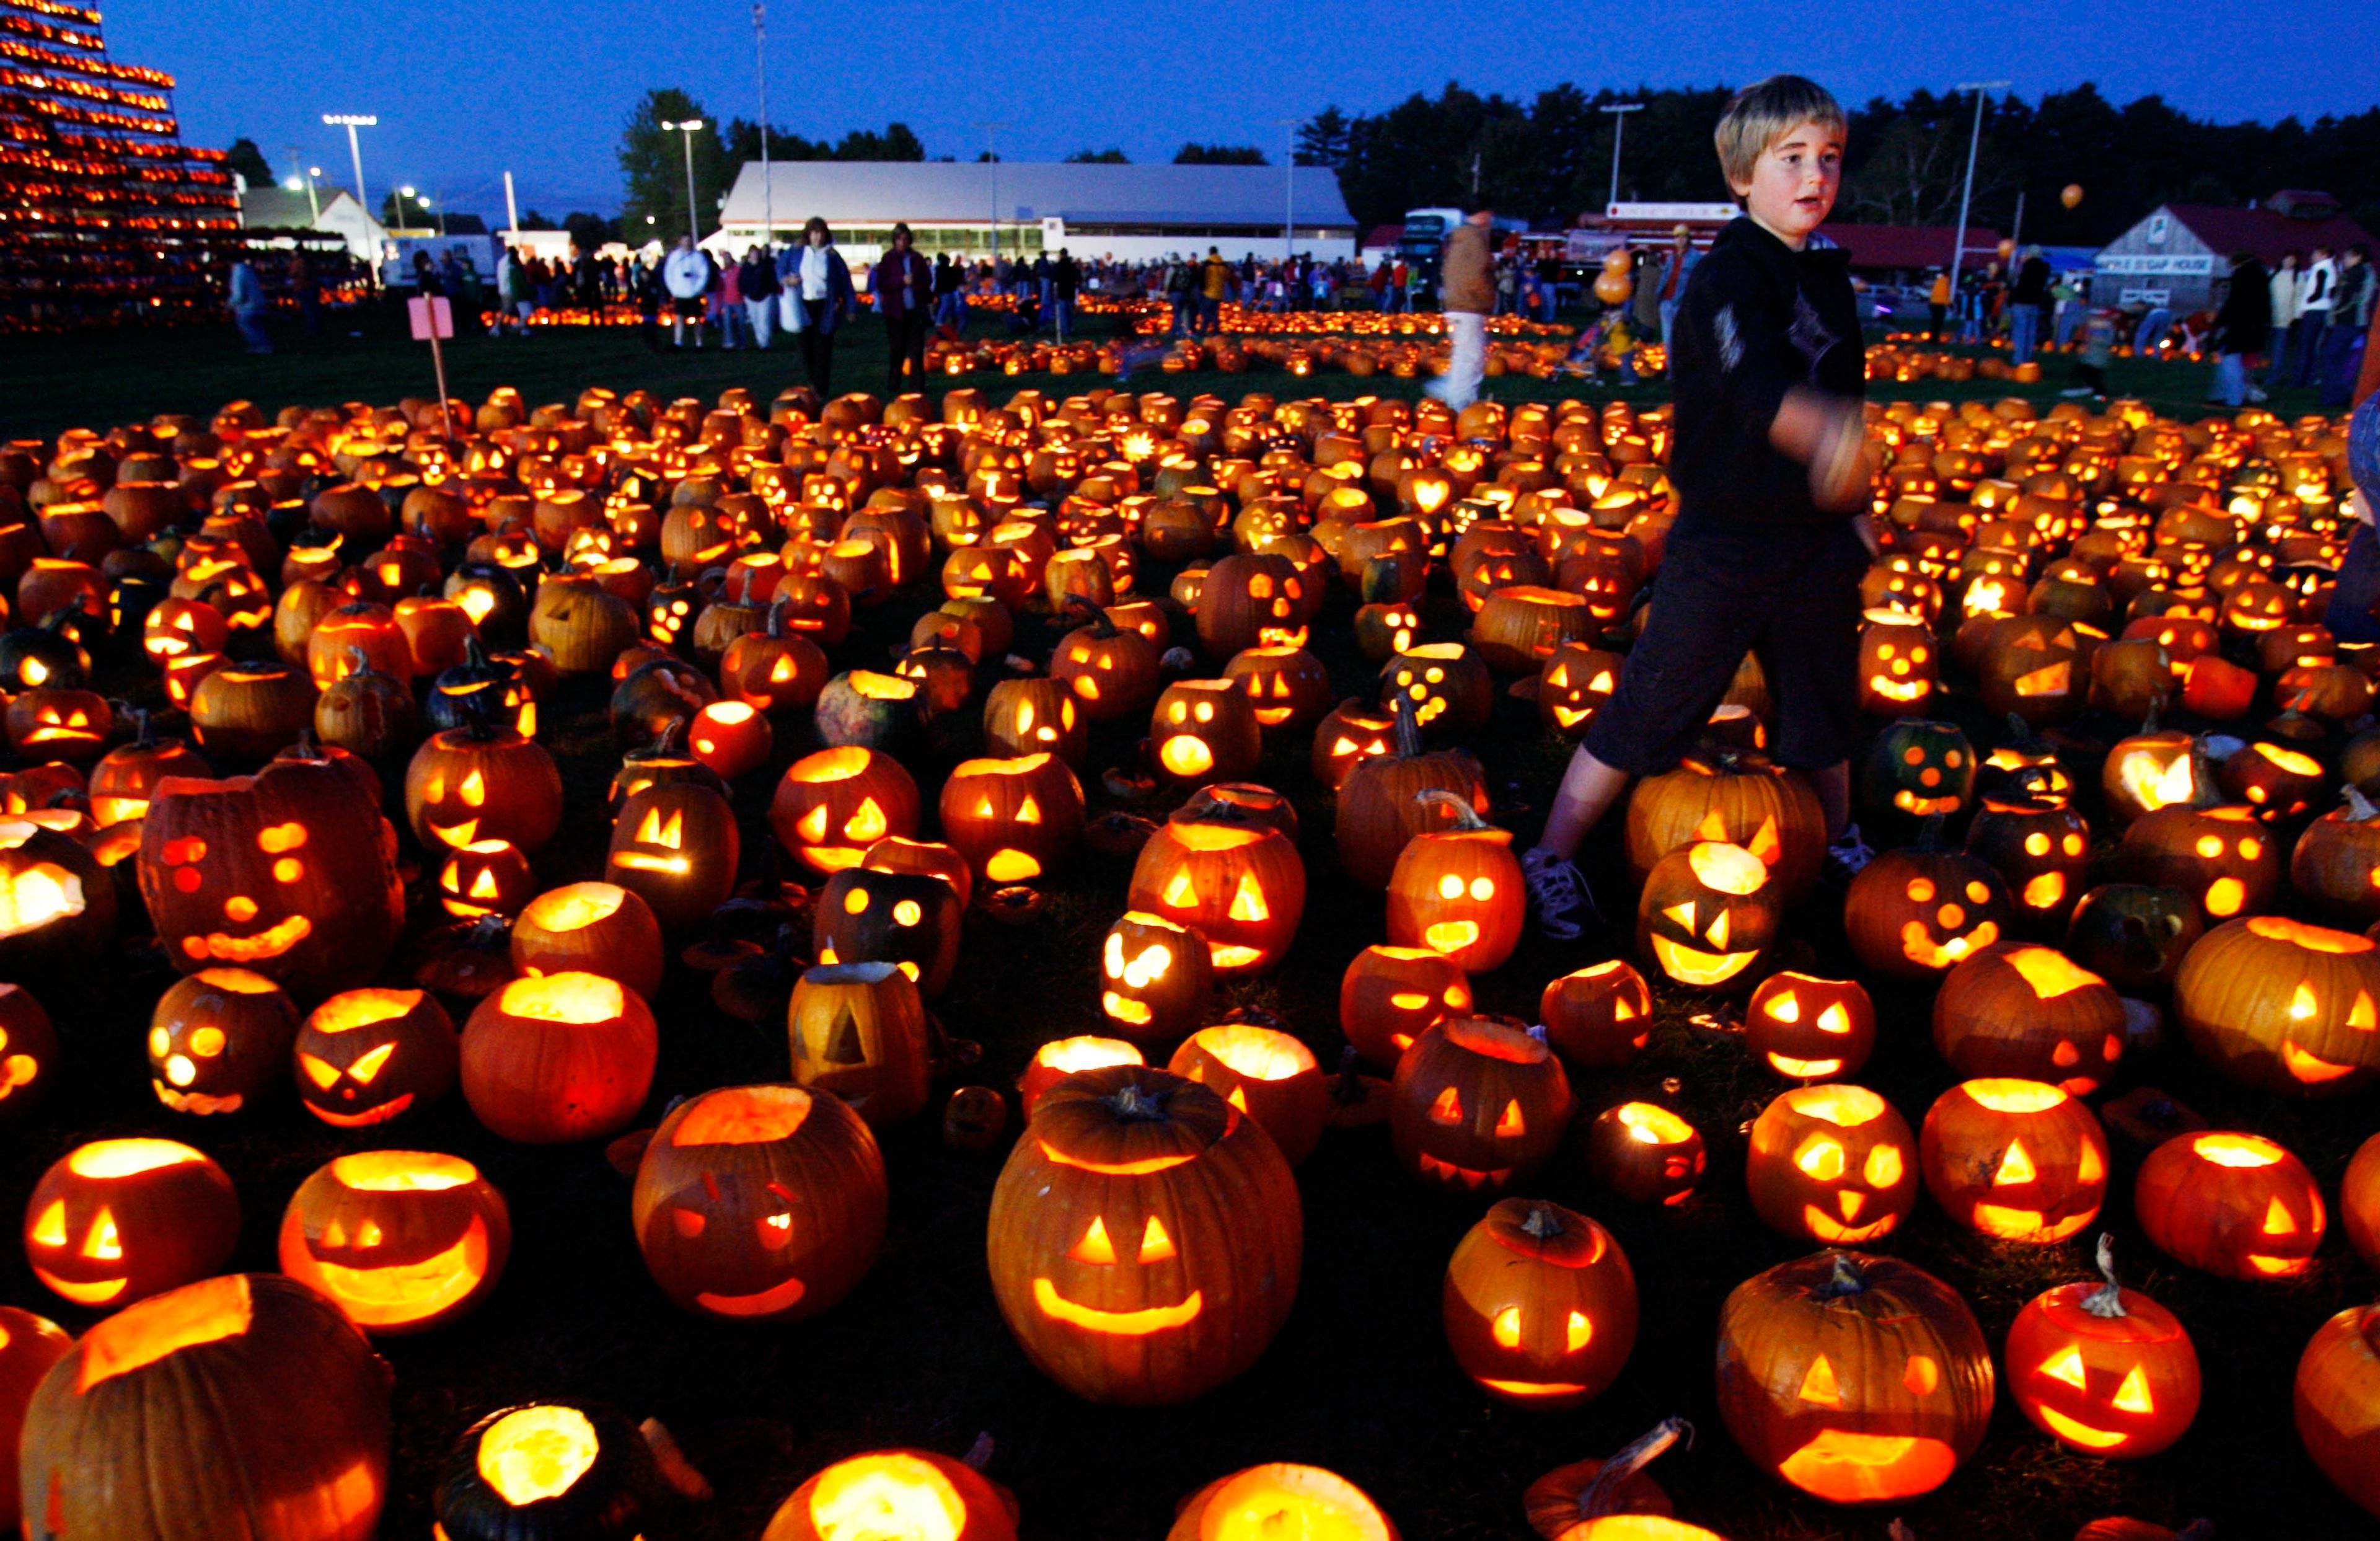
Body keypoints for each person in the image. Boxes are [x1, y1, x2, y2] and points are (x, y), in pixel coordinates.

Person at [1518, 75, 1873, 941]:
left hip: (1815, 539)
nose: (1813, 175)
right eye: (1791, 158)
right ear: (1743, 177)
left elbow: (1846, 388)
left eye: (1827, 158)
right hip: (1728, 538)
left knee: (1823, 703)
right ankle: (1554, 852)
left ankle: (1838, 837)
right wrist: (1819, 434)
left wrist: (1858, 502)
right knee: (1658, 699)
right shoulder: (1726, 277)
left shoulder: (1827, 276)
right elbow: (1753, 383)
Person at [2320, 392, 2380, 642]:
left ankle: (2347, 622)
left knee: (2370, 525)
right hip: (2373, 431)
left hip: (2371, 426)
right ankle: (2349, 625)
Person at [1427, 206, 1494, 413]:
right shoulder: (1474, 239)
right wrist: (1487, 297)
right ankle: (1461, 406)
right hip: (1469, 306)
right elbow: (1476, 275)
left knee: (1463, 356)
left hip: (1455, 304)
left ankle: (1451, 391)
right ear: (1484, 214)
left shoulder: (1458, 238)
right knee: (1471, 360)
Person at [785, 217, 854, 396]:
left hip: (825, 305)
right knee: (806, 347)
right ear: (809, 234)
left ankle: (821, 389)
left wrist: (850, 306)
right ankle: (813, 384)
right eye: (814, 232)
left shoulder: (832, 256)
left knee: (823, 348)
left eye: (821, 233)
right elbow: (780, 267)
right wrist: (786, 279)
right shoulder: (798, 251)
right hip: (803, 304)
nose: (818, 237)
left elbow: (845, 281)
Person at [874, 223, 933, 395]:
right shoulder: (889, 259)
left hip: (914, 311)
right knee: (897, 349)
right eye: (900, 239)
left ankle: (918, 386)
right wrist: (900, 281)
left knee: (916, 350)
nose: (903, 242)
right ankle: (894, 383)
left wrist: (917, 283)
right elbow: (882, 284)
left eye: (906, 239)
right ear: (895, 240)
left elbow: (927, 280)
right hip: (895, 312)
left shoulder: (917, 259)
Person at [2208, 251, 2271, 408]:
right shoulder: (2261, 274)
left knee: (2231, 362)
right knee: (2234, 361)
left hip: (2240, 327)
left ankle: (2232, 398)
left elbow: (2234, 303)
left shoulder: (2242, 276)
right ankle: (2222, 394)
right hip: (2255, 327)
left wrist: (2219, 321)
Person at [2320, 245, 2372, 408]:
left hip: (2347, 322)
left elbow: (2349, 298)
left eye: (2348, 257)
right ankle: (2338, 394)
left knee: (2333, 358)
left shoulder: (2357, 274)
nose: (2345, 261)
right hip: (2351, 322)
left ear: (2357, 257)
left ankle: (2336, 395)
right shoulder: (2363, 272)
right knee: (2339, 359)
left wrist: (2336, 312)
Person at [2294, 245, 2337, 386]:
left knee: (2305, 346)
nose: (2312, 257)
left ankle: (2300, 379)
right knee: (2313, 347)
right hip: (2323, 310)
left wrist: (2308, 302)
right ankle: (2309, 378)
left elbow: (2319, 291)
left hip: (2314, 311)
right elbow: (2331, 291)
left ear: (2323, 255)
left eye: (2315, 254)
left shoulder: (2320, 269)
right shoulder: (2331, 269)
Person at [662, 236, 710, 348]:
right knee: (679, 318)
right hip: (680, 293)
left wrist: (697, 288)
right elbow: (668, 274)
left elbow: (704, 274)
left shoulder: (698, 257)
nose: (687, 244)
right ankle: (678, 342)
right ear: (680, 242)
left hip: (694, 293)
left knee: (697, 319)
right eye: (684, 241)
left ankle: (699, 343)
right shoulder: (675, 257)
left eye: (689, 241)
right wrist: (673, 289)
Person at [2264, 252, 2302, 392]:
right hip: (2271, 316)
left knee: (2279, 348)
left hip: (2286, 318)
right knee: (2271, 347)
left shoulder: (2298, 276)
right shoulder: (2274, 274)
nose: (2289, 262)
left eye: (2292, 259)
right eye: (2287, 258)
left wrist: (2296, 316)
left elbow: (2299, 296)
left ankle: (2275, 376)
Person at [2062, 307, 2116, 400]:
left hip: (2097, 358)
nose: (2092, 320)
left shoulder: (2106, 329)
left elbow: (2106, 342)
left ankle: (2099, 393)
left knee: (2094, 376)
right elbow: (2083, 338)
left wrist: (2095, 341)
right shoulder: (2090, 329)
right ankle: (2082, 388)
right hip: (2088, 357)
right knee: (2081, 372)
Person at [2009, 247, 2052, 365]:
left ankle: (2019, 359)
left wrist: (2022, 263)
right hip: (2035, 302)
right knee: (2031, 332)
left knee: (2020, 332)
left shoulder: (2026, 266)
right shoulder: (2045, 267)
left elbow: (2012, 277)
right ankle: (2028, 358)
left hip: (2021, 302)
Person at [1656, 226, 1696, 342]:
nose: (1680, 240)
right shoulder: (1671, 258)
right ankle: (1670, 361)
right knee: (1668, 340)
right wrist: (1660, 299)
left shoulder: (1695, 257)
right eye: (1677, 237)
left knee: (1683, 339)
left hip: (1683, 304)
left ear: (1688, 238)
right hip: (1667, 303)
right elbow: (1664, 278)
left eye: (1683, 236)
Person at [227, 256, 270, 354]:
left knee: (246, 325)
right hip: (258, 302)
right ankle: (265, 345)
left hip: (247, 306)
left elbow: (239, 294)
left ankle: (258, 346)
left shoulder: (237, 272)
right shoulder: (248, 270)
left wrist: (230, 304)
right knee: (257, 326)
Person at [741, 246, 779, 349]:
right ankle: (760, 341)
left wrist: (770, 292)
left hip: (765, 297)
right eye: (752, 253)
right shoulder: (746, 268)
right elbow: (741, 281)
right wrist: (744, 292)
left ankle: (765, 343)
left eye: (756, 253)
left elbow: (772, 280)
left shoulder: (765, 266)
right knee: (755, 320)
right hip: (750, 298)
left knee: (764, 320)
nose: (754, 255)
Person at [1199, 247, 1231, 333]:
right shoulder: (1223, 265)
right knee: (1216, 313)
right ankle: (1217, 330)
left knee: (1206, 312)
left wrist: (1202, 289)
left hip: (1208, 292)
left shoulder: (1207, 264)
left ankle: (1203, 330)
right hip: (1220, 292)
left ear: (1210, 253)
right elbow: (1227, 277)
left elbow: (1201, 277)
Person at [1052, 248, 1080, 340]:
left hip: (1062, 292)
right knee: (1070, 313)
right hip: (1070, 291)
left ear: (1061, 255)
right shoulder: (1072, 266)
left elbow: (1055, 278)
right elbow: (1078, 277)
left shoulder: (1058, 266)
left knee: (1063, 313)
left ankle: (1065, 330)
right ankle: (1071, 328)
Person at [1927, 267, 1950, 339]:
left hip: (1934, 303)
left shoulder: (1939, 281)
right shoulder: (1944, 281)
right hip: (1938, 304)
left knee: (1935, 322)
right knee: (1938, 322)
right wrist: (1949, 303)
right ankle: (1934, 338)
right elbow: (1944, 294)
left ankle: (1933, 337)